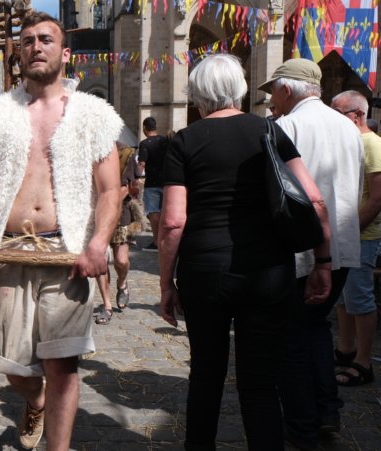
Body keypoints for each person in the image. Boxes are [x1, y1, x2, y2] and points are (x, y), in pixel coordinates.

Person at [0, 12, 123, 450]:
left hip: (67, 254)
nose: (35, 46)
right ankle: (35, 400)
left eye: (45, 39)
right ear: (18, 53)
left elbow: (110, 191)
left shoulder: (94, 115)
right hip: (10, 252)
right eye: (27, 41)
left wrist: (98, 243)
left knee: (63, 366)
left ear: (64, 53)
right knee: (13, 367)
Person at [159, 54, 331, 451]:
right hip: (268, 270)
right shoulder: (268, 131)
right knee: (260, 382)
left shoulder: (183, 141)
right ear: (238, 88)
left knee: (205, 375)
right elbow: (315, 200)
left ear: (197, 95)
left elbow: (172, 222)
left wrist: (167, 283)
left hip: (205, 271)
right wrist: (322, 261)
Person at [259, 59, 364, 449]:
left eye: (274, 92)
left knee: (291, 339)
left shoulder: (286, 126)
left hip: (302, 253)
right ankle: (326, 411)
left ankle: (302, 424)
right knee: (316, 329)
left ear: (287, 90)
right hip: (342, 247)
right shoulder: (348, 127)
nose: (273, 99)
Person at [331, 90, 379, 387]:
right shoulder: (346, 142)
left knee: (360, 298)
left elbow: (376, 199)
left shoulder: (372, 145)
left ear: (357, 115)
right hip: (343, 234)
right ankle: (345, 349)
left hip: (362, 235)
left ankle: (364, 362)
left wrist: (349, 231)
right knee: (342, 298)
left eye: (337, 113)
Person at [94, 143, 142, 324]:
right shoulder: (87, 152)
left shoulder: (125, 153)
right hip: (93, 215)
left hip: (120, 214)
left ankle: (122, 284)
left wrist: (106, 204)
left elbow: (126, 188)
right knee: (101, 260)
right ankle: (106, 305)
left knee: (121, 260)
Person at [137, 116, 169, 252]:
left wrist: (135, 176)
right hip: (167, 181)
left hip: (152, 182)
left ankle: (156, 242)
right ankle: (166, 240)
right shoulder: (165, 141)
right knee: (166, 212)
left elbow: (141, 164)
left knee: (154, 212)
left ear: (145, 128)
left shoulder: (145, 144)